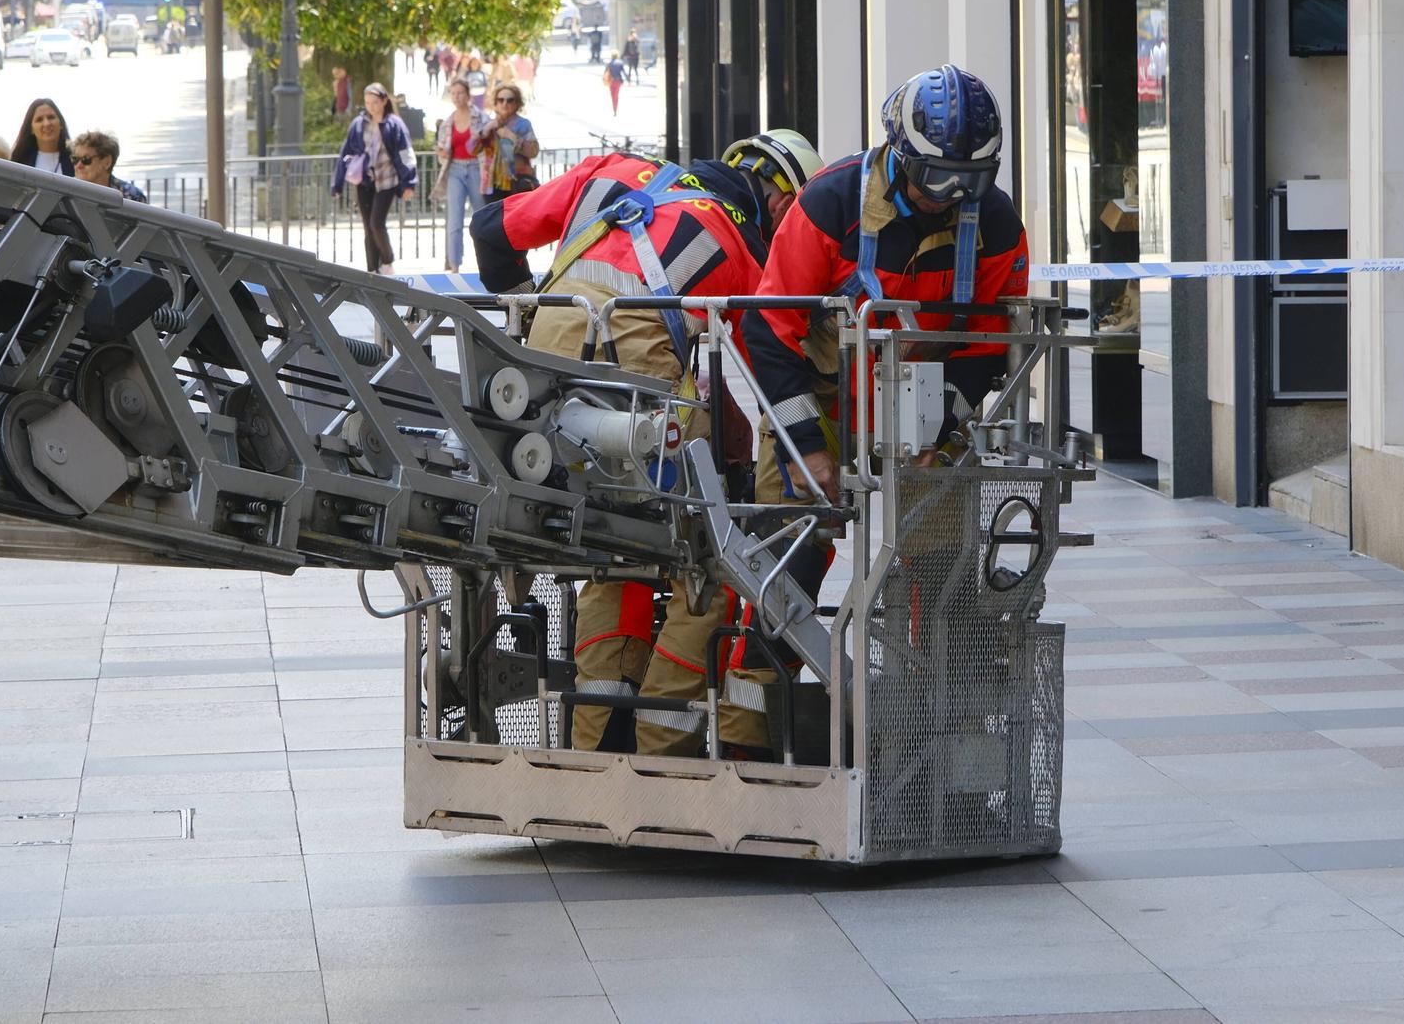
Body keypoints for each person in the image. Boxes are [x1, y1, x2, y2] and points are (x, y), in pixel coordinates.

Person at [472, 128, 825, 756]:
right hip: (632, 393)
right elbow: (766, 373)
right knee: (710, 563)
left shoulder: (608, 172)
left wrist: (527, 317)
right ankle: (662, 741)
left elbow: (489, 229)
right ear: (778, 204)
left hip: (531, 385)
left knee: (615, 549)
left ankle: (596, 734)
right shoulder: (738, 246)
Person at [730, 67, 1028, 755]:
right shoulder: (830, 203)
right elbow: (769, 329)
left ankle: (939, 746)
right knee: (786, 569)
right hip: (823, 407)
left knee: (940, 576)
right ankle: (745, 740)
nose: (952, 198)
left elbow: (989, 344)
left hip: (923, 412)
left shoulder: (997, 223)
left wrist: (940, 432)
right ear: (899, 152)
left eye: (970, 182)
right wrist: (809, 448)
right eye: (938, 178)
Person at [330, 82, 417, 273]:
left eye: (375, 102)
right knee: (368, 227)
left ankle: (387, 261)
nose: (371, 107)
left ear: (384, 101)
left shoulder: (394, 124)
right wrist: (336, 184)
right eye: (368, 103)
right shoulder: (358, 124)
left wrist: (409, 182)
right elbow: (345, 152)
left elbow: (405, 154)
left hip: (387, 181)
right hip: (365, 181)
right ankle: (372, 269)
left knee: (376, 223)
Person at [434, 78, 491, 272]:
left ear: (468, 94)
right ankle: (454, 265)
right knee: (454, 220)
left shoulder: (481, 117)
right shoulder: (448, 122)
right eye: (453, 93)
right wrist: (442, 153)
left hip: (476, 167)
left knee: (481, 217)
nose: (457, 97)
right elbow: (442, 150)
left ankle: (486, 263)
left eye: (460, 93)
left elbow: (491, 142)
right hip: (455, 170)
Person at [479, 83, 539, 202]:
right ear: (495, 103)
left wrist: (512, 137)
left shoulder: (524, 124)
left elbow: (534, 151)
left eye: (510, 100)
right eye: (500, 100)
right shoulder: (488, 124)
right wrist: (486, 131)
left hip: (517, 181)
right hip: (492, 182)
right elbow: (471, 149)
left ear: (517, 103)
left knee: (518, 219)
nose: (505, 103)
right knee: (495, 219)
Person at [71, 130, 148, 203]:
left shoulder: (132, 197)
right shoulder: (65, 192)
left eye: (86, 159)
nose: (78, 165)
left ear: (107, 162)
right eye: (75, 159)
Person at [11, 98, 74, 175]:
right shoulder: (19, 163)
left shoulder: (76, 160)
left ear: (61, 124)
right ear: (31, 129)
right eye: (39, 119)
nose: (46, 123)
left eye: (51, 117)